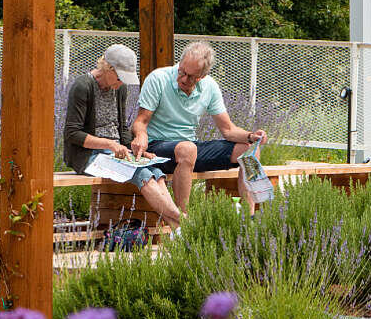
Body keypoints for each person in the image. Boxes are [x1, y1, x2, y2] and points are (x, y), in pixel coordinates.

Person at [131, 41, 268, 213]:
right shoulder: (158, 78)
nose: (183, 79)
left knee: (249, 151)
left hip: (190, 149)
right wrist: (140, 136)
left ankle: (249, 218)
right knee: (188, 149)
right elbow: (141, 121)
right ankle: (182, 222)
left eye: (191, 77)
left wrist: (251, 137)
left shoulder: (209, 86)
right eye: (182, 71)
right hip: (157, 147)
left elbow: (228, 130)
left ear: (203, 75)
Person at [64, 44, 183, 228]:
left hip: (117, 153)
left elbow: (121, 129)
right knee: (142, 174)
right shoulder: (83, 86)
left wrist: (137, 148)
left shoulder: (120, 89)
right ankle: (184, 222)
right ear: (107, 69)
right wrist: (110, 145)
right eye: (120, 77)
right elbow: (73, 133)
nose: (121, 83)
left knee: (157, 173)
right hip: (88, 156)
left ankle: (178, 229)